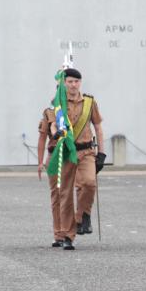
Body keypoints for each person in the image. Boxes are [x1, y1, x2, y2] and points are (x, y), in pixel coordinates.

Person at [56, 68, 104, 250]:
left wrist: (102, 152)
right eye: (70, 82)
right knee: (66, 194)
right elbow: (53, 124)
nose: (73, 85)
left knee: (90, 183)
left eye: (76, 81)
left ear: (80, 83)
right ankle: (68, 235)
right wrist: (56, 134)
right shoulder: (58, 102)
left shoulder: (89, 102)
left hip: (86, 151)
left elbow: (98, 126)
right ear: (64, 83)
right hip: (68, 152)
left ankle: (83, 215)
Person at [37, 103, 63, 247]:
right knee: (57, 194)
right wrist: (40, 162)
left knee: (72, 192)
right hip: (54, 155)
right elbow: (42, 138)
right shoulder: (49, 111)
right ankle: (58, 234)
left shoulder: (77, 107)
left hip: (72, 154)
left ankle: (72, 227)